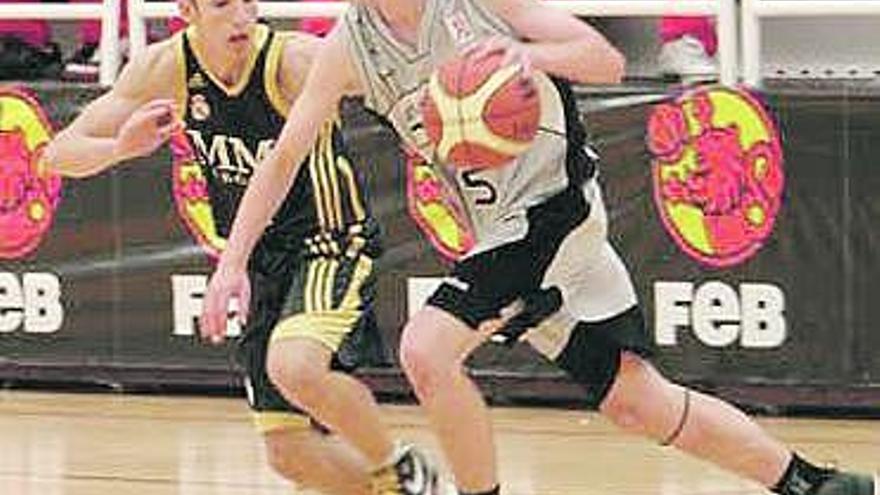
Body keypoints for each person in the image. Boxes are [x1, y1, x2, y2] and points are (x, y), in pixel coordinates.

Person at [200, 0, 878, 495]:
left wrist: (530, 57)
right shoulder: (351, 44)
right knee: (637, 402)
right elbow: (286, 154)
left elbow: (605, 60)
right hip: (503, 234)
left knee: (425, 349)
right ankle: (813, 483)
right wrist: (232, 262)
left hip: (556, 211)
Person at [42, 0, 449, 493]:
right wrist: (120, 149)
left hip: (331, 243)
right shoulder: (166, 68)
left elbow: (403, 71)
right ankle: (399, 490)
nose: (241, 16)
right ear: (187, 10)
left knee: (294, 366)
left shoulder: (294, 61)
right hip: (262, 259)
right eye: (221, 4)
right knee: (289, 454)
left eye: (248, 1)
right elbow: (56, 155)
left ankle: (398, 465)